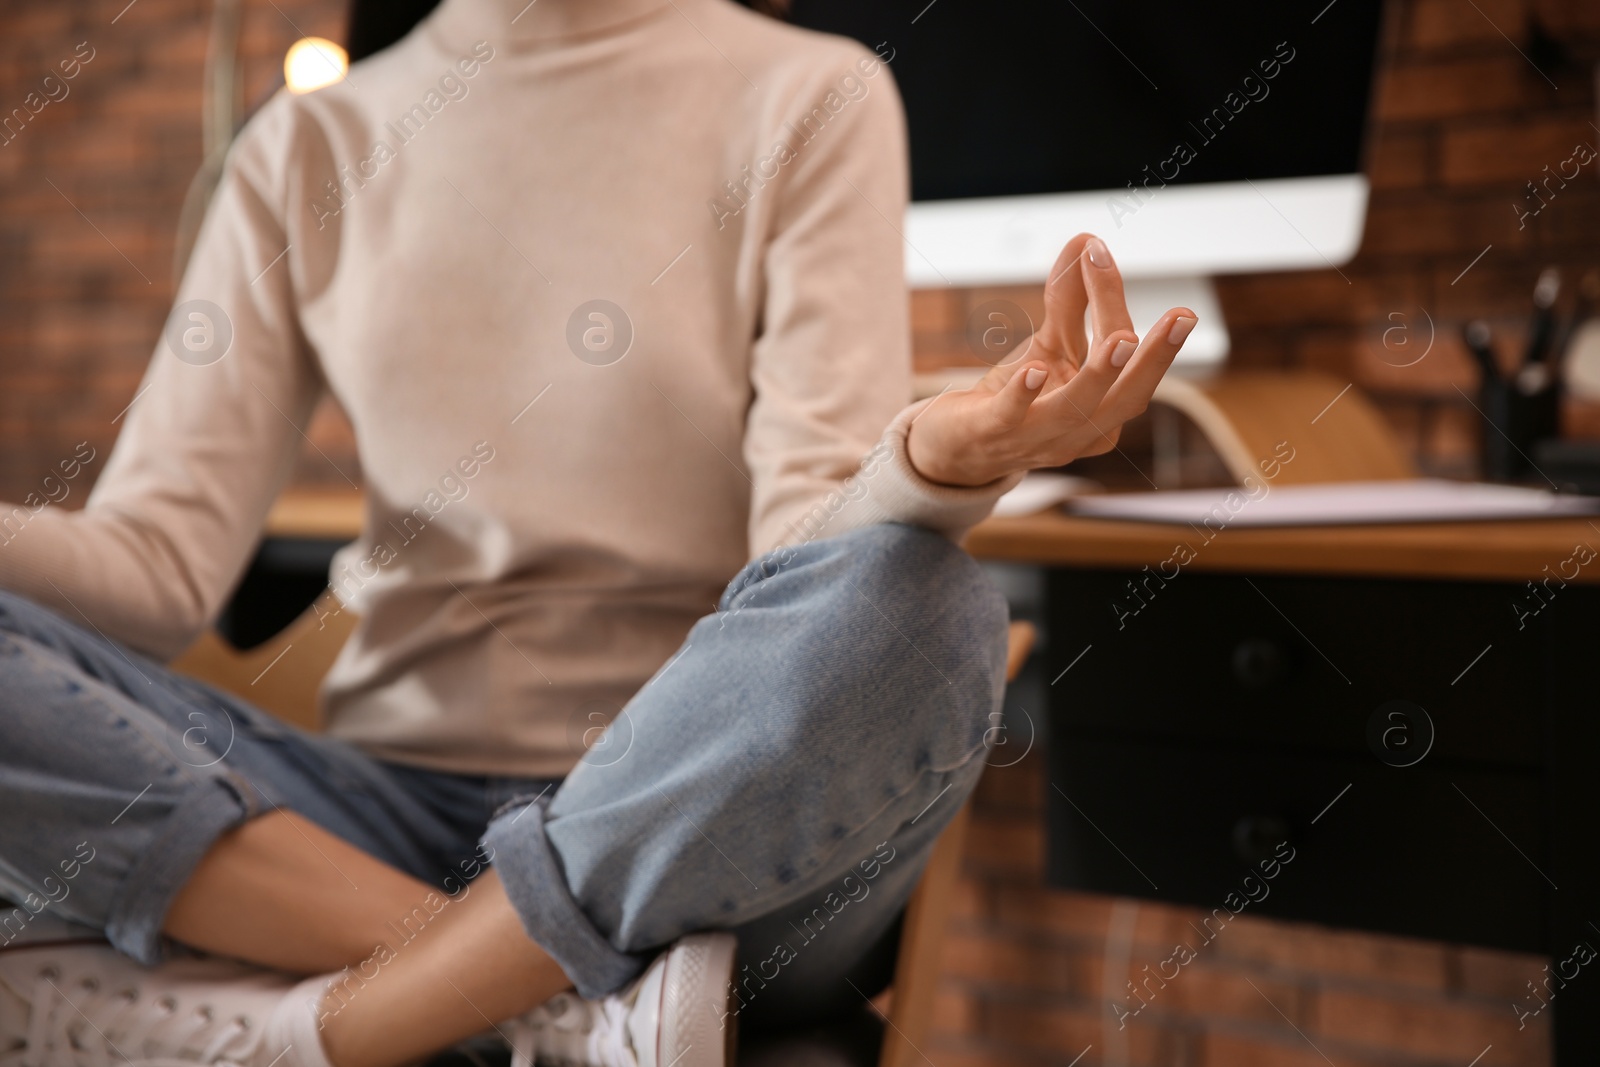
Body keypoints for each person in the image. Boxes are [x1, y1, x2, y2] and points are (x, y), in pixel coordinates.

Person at [0, 1, 1196, 1066]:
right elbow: (153, 568)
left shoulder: (810, 93)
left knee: (930, 607)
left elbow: (806, 554)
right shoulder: (301, 147)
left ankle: (362, 1019)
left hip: (702, 819)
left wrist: (928, 464)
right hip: (374, 818)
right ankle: (527, 989)